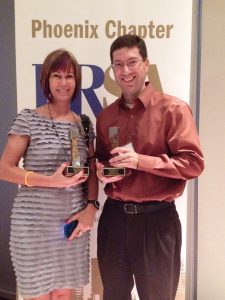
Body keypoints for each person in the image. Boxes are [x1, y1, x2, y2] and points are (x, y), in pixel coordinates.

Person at [95, 34, 204, 300]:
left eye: (132, 62)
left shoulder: (173, 110)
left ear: (146, 64)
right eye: (118, 65)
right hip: (114, 219)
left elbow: (193, 163)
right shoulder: (106, 116)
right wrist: (100, 170)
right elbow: (100, 159)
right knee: (114, 295)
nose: (125, 71)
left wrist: (140, 161)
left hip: (157, 220)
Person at [0, 49, 99, 300]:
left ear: (76, 81)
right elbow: (4, 168)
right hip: (34, 226)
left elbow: (91, 172)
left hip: (70, 227)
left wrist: (90, 207)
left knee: (64, 294)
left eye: (69, 76)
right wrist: (50, 181)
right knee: (39, 295)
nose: (63, 82)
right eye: (57, 75)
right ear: (46, 79)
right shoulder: (29, 119)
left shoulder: (84, 124)